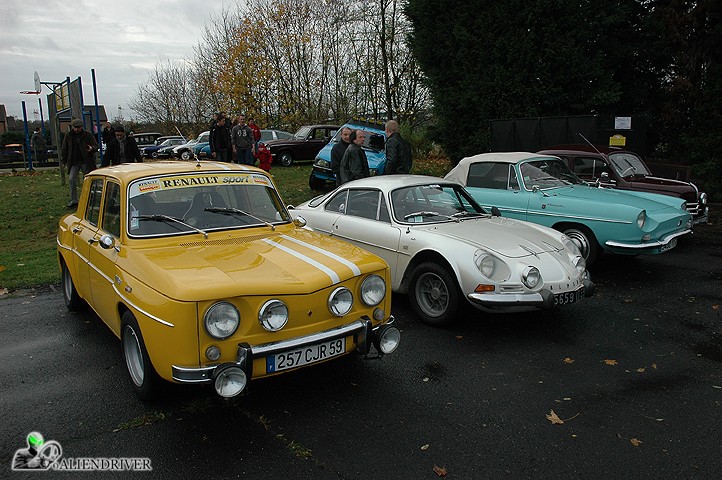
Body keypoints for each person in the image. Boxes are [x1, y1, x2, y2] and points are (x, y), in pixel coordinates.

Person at [61, 119, 98, 208]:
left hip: (86, 161)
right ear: (72, 127)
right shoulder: (68, 136)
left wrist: (92, 148)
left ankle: (89, 199)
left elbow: (96, 146)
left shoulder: (88, 135)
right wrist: (64, 160)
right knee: (71, 179)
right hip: (73, 162)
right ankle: (74, 200)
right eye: (75, 127)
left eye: (78, 127)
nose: (77, 129)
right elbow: (64, 148)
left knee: (88, 180)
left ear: (82, 127)